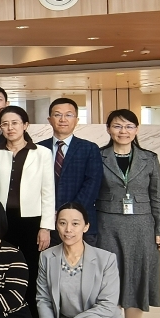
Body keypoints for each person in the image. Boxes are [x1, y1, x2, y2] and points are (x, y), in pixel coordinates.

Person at [97, 108, 160, 318]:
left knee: (137, 280)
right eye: (117, 126)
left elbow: (157, 195)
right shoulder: (98, 156)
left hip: (142, 226)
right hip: (107, 224)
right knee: (109, 280)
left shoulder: (149, 158)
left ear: (136, 130)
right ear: (108, 129)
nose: (123, 131)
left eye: (128, 126)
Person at [0, 105, 55, 318]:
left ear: (25, 125)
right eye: (4, 123)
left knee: (32, 276)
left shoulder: (42, 153)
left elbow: (48, 191)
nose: (10, 128)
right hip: (2, 223)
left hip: (32, 222)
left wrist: (46, 226)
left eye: (15, 123)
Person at [38, 98, 103, 246]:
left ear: (76, 120)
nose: (63, 119)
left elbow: (92, 186)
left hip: (81, 222)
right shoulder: (38, 149)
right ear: (49, 119)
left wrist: (67, 213)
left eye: (68, 115)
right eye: (57, 115)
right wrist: (49, 214)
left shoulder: (90, 149)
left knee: (84, 260)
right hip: (46, 224)